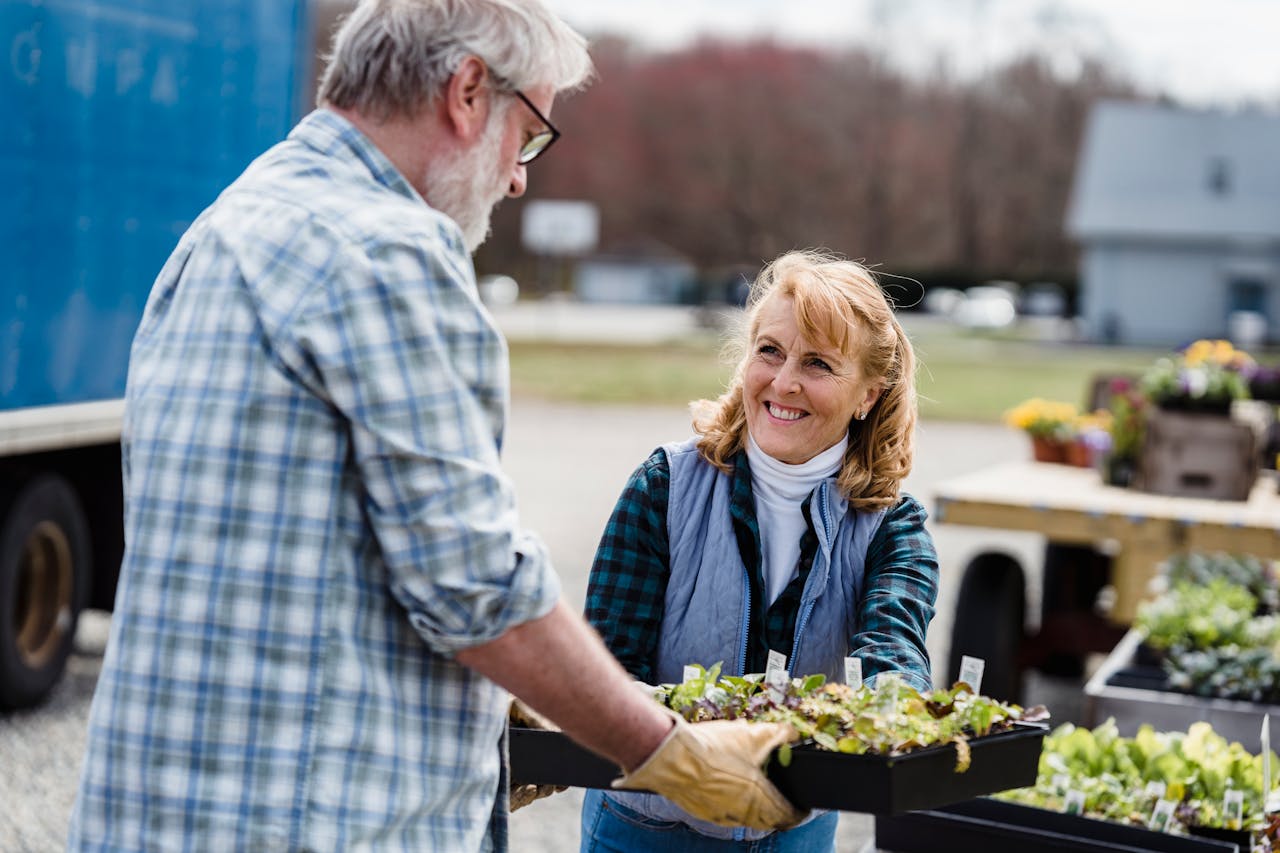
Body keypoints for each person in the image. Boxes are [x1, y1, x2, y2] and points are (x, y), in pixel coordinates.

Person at [67, 1, 805, 849]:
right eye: (527, 135)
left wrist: (516, 697)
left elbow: (299, 552)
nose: (520, 176)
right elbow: (480, 590)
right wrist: (670, 753)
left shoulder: (228, 224)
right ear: (465, 93)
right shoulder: (388, 252)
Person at [581, 249, 941, 851]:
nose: (784, 382)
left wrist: (901, 717)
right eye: (769, 351)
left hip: (791, 830)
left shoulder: (892, 528)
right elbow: (611, 664)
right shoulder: (665, 486)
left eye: (819, 364)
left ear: (868, 395)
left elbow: (892, 651)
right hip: (647, 825)